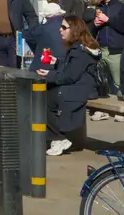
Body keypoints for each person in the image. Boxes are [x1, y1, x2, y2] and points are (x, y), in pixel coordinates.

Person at [35, 15, 102, 156]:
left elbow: (70, 77)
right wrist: (57, 63)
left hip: (84, 89)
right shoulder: (80, 48)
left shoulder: (79, 51)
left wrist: (48, 75)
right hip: (84, 86)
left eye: (64, 27)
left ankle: (58, 138)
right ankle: (58, 137)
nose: (60, 30)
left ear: (75, 30)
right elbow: (74, 70)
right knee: (49, 94)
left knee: (47, 97)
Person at [88, 0, 124, 90]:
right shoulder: (99, 7)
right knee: (102, 83)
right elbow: (92, 32)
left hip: (116, 52)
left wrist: (108, 19)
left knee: (118, 84)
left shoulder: (121, 7)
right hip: (101, 50)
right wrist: (95, 25)